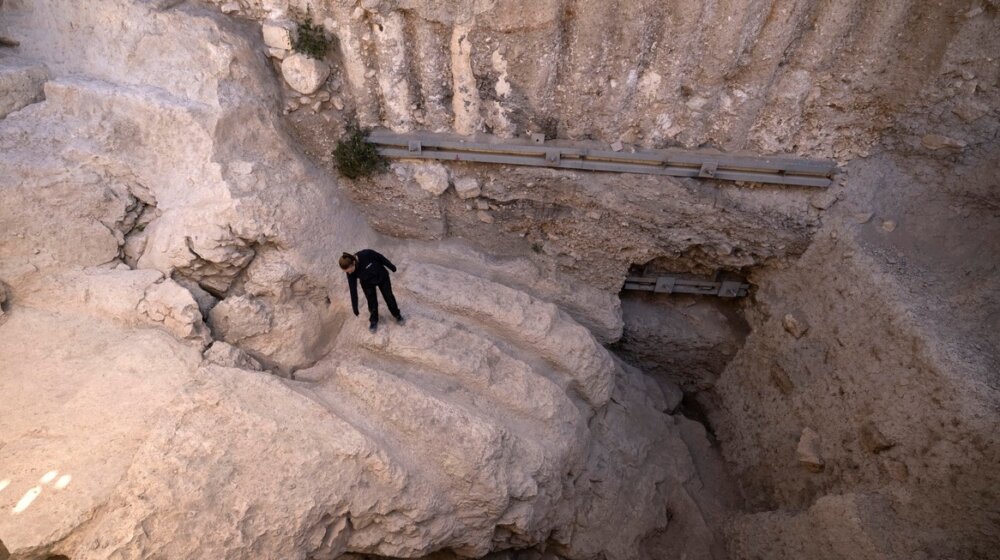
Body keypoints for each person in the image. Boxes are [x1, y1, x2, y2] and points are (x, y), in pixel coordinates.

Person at [339, 249, 404, 333]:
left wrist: (392, 267)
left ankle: (397, 315)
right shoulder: (350, 272)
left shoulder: (366, 254)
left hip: (382, 276)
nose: (349, 273)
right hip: (367, 282)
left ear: (353, 263)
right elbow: (353, 289)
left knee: (389, 297)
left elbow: (381, 258)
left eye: (349, 270)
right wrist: (355, 307)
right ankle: (374, 320)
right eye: (346, 272)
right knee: (371, 301)